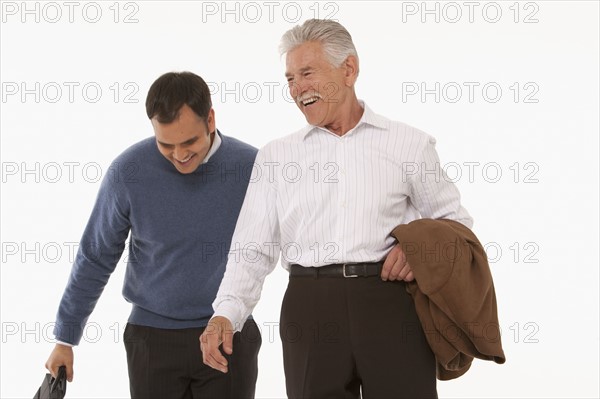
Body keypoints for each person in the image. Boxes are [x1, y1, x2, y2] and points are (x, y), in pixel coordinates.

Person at [200, 19, 474, 398]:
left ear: (349, 69)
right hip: (310, 308)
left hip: (392, 303)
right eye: (291, 78)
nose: (298, 88)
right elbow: (252, 250)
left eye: (307, 73)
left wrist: (420, 251)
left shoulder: (408, 145)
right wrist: (225, 314)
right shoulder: (277, 156)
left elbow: (455, 223)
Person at [45, 71, 261, 399]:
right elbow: (95, 256)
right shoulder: (128, 171)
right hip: (151, 338)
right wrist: (65, 338)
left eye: (189, 142)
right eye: (166, 145)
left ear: (211, 119)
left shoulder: (252, 167)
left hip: (228, 334)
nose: (179, 155)